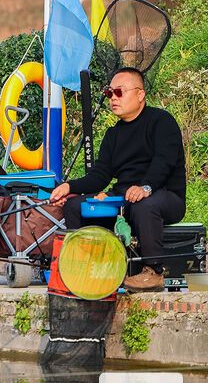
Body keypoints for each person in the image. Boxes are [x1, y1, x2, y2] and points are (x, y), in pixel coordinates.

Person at [48, 67, 186, 292]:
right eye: (109, 93)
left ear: (140, 94)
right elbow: (99, 176)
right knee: (75, 206)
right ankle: (90, 267)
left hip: (164, 195)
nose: (113, 98)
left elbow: (164, 163)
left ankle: (153, 271)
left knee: (144, 205)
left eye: (119, 92)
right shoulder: (113, 134)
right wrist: (69, 186)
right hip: (123, 199)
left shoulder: (162, 121)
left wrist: (146, 187)